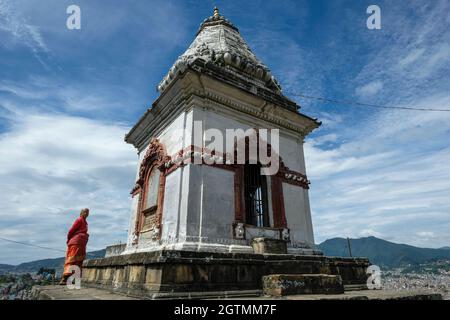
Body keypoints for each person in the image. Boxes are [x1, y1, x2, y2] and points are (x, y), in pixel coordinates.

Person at [59, 208, 90, 285]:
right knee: (72, 260)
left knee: (79, 261)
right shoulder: (79, 220)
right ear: (81, 213)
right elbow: (71, 231)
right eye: (85, 212)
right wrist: (69, 239)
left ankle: (73, 279)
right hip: (75, 243)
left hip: (81, 243)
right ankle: (64, 278)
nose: (86, 214)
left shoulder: (85, 223)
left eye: (87, 212)